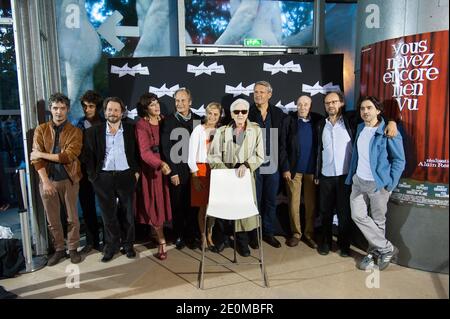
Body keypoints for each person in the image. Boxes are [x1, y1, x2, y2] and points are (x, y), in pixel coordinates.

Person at [315, 91, 397, 257]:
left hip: (346, 176)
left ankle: (344, 246)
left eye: (334, 102)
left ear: (342, 103)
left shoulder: (352, 120)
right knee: (325, 211)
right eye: (327, 103)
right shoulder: (320, 124)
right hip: (326, 175)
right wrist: (317, 173)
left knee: (345, 214)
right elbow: (319, 151)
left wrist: (392, 122)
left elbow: (374, 118)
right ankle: (325, 243)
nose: (331, 105)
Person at [345, 96, 405, 271]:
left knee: (378, 221)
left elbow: (399, 160)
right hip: (358, 181)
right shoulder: (360, 128)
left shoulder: (388, 131)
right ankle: (387, 248)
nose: (365, 111)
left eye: (369, 108)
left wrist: (390, 184)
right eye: (362, 108)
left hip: (378, 184)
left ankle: (374, 253)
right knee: (358, 215)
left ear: (378, 110)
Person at [82, 97, 140, 262]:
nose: (112, 113)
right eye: (109, 109)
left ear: (122, 112)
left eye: (116, 110)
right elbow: (88, 156)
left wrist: (136, 172)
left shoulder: (131, 130)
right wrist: (94, 177)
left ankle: (128, 245)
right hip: (104, 177)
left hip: (126, 176)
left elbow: (137, 153)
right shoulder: (93, 131)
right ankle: (111, 246)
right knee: (108, 216)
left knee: (128, 214)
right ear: (105, 111)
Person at [30, 93, 83, 265]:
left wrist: (41, 154)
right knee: (52, 219)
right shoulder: (41, 129)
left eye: (62, 108)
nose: (58, 112)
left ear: (67, 110)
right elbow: (35, 159)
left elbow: (67, 156)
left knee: (72, 218)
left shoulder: (75, 132)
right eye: (55, 108)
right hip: (47, 180)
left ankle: (73, 248)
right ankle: (60, 249)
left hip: (69, 179)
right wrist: (45, 181)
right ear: (51, 110)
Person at [208, 98, 264, 257]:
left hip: (244, 177)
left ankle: (242, 242)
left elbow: (260, 155)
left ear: (247, 113)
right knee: (224, 209)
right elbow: (213, 156)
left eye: (243, 111)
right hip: (225, 177)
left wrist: (246, 165)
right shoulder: (221, 131)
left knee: (243, 210)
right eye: (236, 111)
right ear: (232, 114)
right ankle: (223, 239)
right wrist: (225, 171)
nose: (240, 114)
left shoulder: (256, 130)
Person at [161, 88, 202, 250]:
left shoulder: (198, 120)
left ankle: (191, 235)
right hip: (177, 170)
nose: (180, 104)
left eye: (183, 100)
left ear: (190, 102)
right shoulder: (168, 121)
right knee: (178, 205)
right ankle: (178, 235)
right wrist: (173, 171)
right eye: (177, 100)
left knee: (193, 205)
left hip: (194, 170)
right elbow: (165, 147)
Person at [280, 95, 322, 249]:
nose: (303, 107)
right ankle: (296, 234)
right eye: (300, 104)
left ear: (310, 106)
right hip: (293, 170)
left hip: (312, 171)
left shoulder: (318, 121)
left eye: (306, 104)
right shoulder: (289, 121)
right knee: (293, 204)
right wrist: (285, 168)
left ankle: (309, 234)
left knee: (311, 205)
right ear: (296, 106)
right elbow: (282, 146)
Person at [135, 93, 172, 261]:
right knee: (156, 204)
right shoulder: (141, 125)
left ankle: (155, 231)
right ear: (145, 108)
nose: (156, 106)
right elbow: (144, 152)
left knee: (165, 203)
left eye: (157, 103)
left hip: (169, 166)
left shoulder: (165, 120)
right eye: (152, 104)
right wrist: (160, 164)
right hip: (154, 170)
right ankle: (162, 241)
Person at [248, 81, 285, 249]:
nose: (258, 94)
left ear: (269, 94)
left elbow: (283, 142)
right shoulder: (247, 112)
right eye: (256, 92)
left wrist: (285, 166)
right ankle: (254, 234)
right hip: (253, 165)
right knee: (254, 201)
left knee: (270, 200)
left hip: (273, 164)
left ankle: (268, 232)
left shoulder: (278, 113)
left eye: (262, 92)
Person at [188, 102, 222, 252]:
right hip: (201, 170)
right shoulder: (198, 130)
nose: (212, 117)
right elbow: (190, 156)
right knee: (202, 207)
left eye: (216, 114)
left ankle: (210, 235)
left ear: (220, 116)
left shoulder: (221, 131)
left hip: (216, 171)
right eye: (210, 113)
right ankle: (202, 236)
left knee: (213, 207)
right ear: (206, 114)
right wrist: (195, 176)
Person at [74, 90, 104, 254]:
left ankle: (108, 240)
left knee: (107, 207)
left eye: (91, 106)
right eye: (85, 106)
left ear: (97, 107)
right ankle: (92, 241)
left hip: (103, 171)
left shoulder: (106, 123)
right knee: (87, 207)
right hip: (85, 171)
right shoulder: (78, 124)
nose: (87, 109)